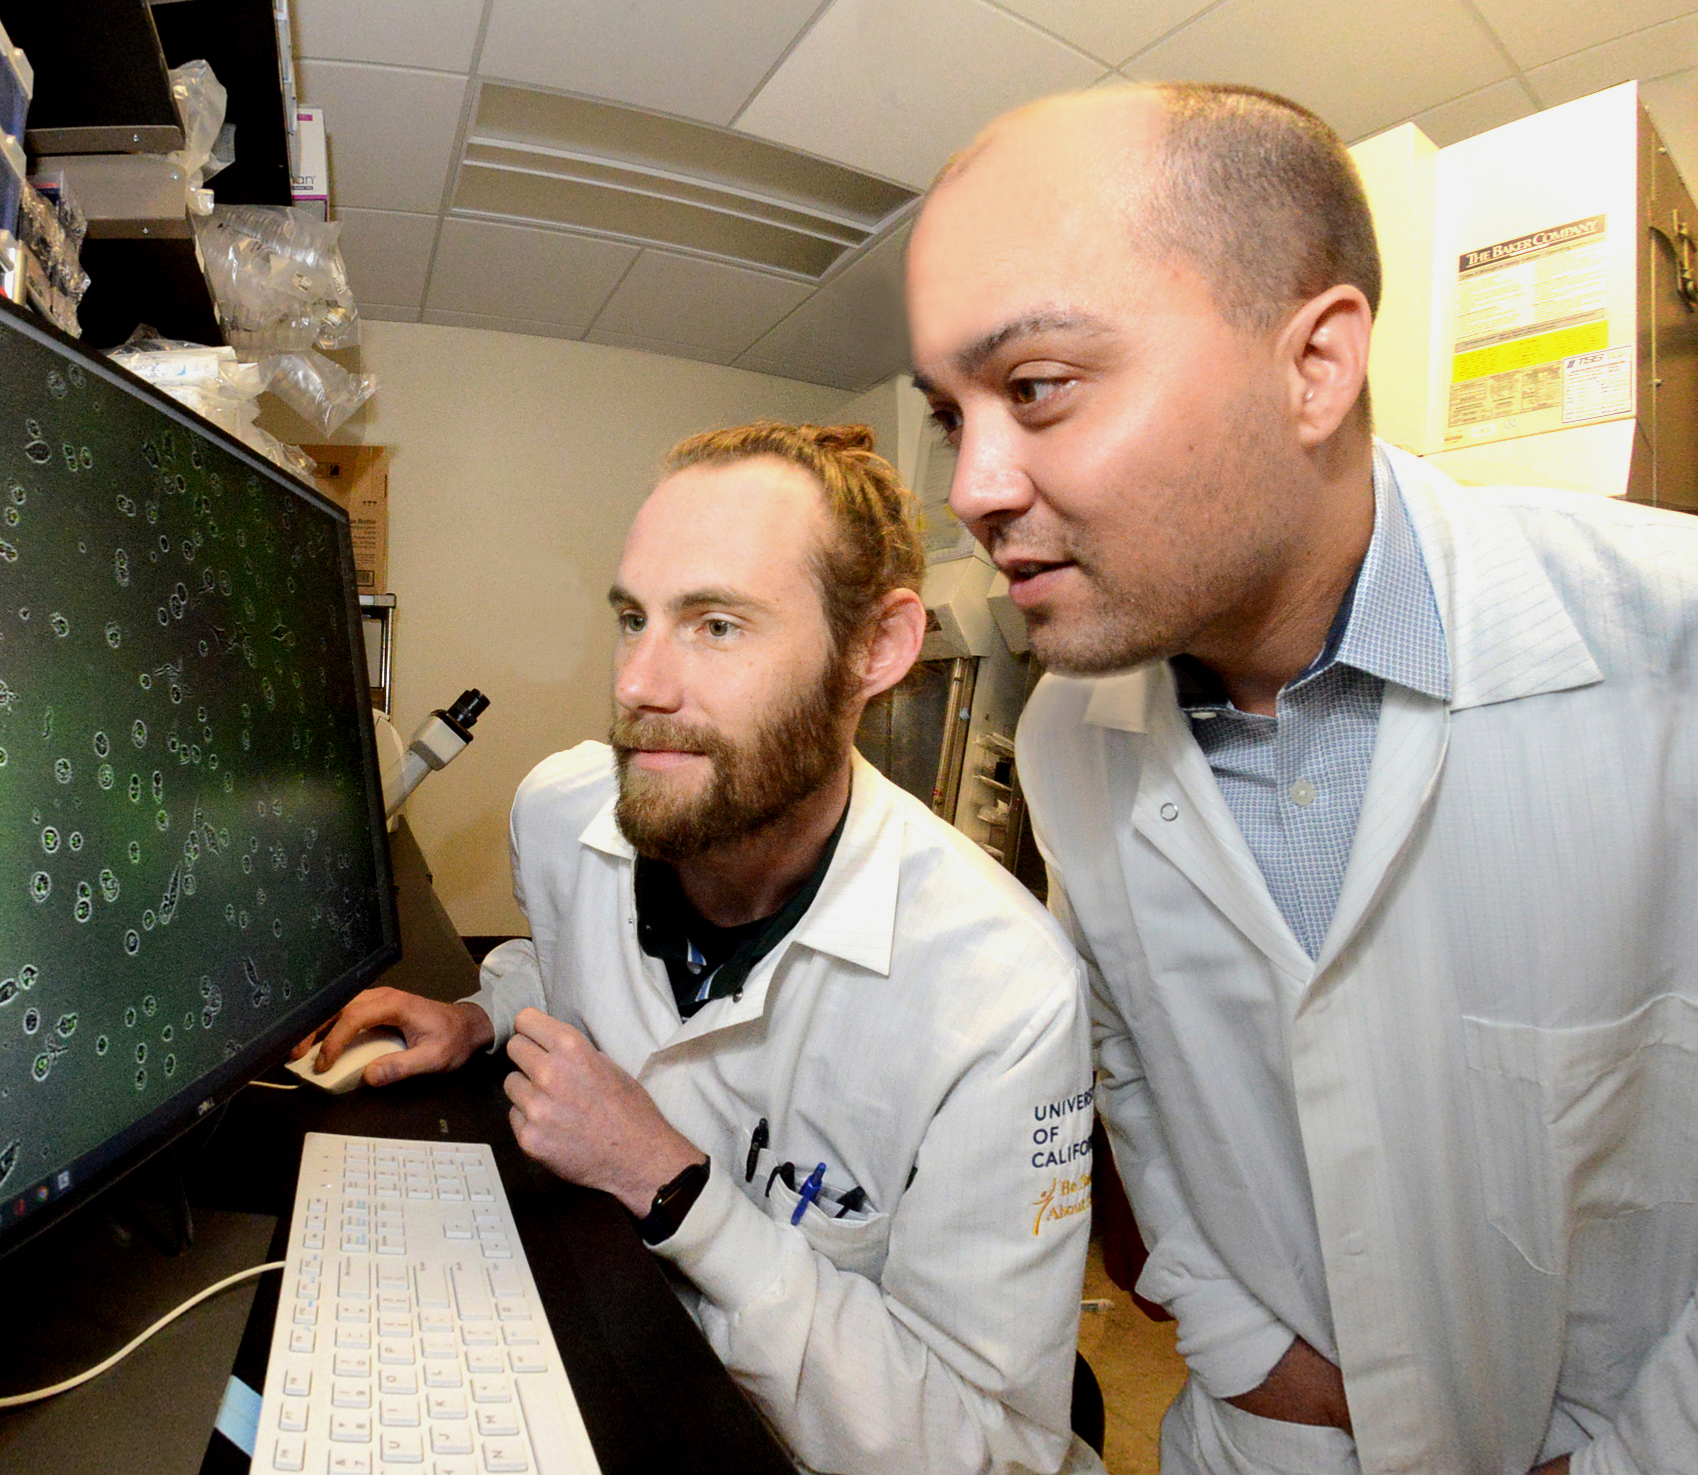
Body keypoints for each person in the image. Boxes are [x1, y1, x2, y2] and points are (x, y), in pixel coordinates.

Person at [904, 81, 1698, 1475]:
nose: (970, 485)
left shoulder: (1663, 650)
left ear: (1312, 367)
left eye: (1033, 388)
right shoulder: (1065, 734)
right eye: (948, 412)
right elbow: (1133, 1076)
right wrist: (1239, 1346)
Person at [299, 422, 1097, 1474]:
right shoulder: (562, 808)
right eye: (635, 617)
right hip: (616, 1344)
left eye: (716, 624)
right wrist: (483, 1012)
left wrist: (674, 1185)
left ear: (879, 649)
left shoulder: (1004, 991)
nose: (638, 682)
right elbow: (571, 956)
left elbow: (989, 1450)